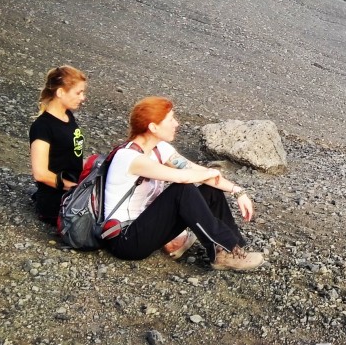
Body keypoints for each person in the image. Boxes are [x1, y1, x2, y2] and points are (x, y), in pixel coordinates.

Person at [101, 96, 265, 271]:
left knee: (210, 190)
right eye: (170, 119)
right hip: (126, 240)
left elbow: (198, 173)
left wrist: (238, 191)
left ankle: (229, 251)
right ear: (153, 127)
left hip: (146, 225)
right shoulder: (129, 157)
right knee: (182, 190)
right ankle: (227, 247)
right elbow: (182, 177)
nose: (176, 124)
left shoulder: (159, 149)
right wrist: (209, 172)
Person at [28, 65, 88, 225]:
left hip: (73, 188)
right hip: (57, 200)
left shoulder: (68, 116)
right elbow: (40, 173)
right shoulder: (42, 126)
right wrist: (75, 188)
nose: (83, 98)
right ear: (60, 92)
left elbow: (68, 156)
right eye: (78, 92)